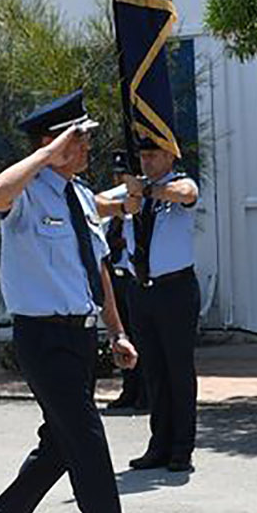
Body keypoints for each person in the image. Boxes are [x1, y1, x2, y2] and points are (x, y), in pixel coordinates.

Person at [0, 90, 161, 513]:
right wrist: (46, 155)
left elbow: (97, 267)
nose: (89, 146)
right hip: (42, 338)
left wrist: (116, 330)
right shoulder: (28, 193)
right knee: (90, 450)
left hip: (80, 334)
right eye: (81, 138)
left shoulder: (77, 196)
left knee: (60, 444)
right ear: (55, 143)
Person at [96, 139, 201, 472]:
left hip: (176, 290)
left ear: (171, 155)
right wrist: (126, 202)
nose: (148, 161)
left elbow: (186, 195)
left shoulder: (178, 183)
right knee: (154, 372)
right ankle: (159, 444)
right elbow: (96, 204)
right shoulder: (133, 189)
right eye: (143, 156)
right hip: (141, 290)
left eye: (154, 155)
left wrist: (148, 192)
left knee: (178, 371)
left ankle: (182, 448)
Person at [99, 157, 147, 413]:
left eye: (122, 174)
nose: (117, 179)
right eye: (116, 174)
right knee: (123, 334)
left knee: (139, 336)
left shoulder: (137, 204)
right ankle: (129, 391)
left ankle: (145, 393)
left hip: (132, 277)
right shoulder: (115, 206)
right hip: (114, 277)